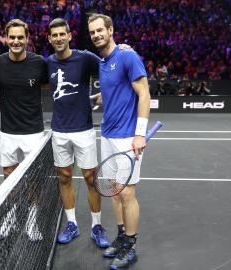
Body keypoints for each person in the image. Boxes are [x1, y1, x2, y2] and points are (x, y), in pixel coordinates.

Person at [88, 14, 151, 269]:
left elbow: (144, 93)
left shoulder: (127, 56)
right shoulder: (103, 61)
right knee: (114, 191)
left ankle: (131, 246)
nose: (96, 35)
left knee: (127, 193)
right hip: (108, 134)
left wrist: (140, 133)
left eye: (100, 30)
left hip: (127, 136)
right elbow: (117, 87)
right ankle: (122, 236)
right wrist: (102, 96)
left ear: (111, 30)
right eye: (92, 32)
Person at [46, 18, 110, 248]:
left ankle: (96, 226)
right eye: (55, 35)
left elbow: (110, 62)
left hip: (83, 129)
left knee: (90, 179)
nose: (59, 38)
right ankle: (71, 223)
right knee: (64, 177)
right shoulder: (49, 63)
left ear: (69, 36)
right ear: (50, 39)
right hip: (59, 131)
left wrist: (103, 91)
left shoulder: (84, 58)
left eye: (63, 34)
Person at [0, 19, 48, 241]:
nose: (16, 41)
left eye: (20, 37)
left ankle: (31, 221)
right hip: (8, 132)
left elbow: (48, 84)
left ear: (27, 39)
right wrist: (4, 106)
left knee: (33, 180)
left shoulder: (39, 63)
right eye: (12, 37)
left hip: (33, 132)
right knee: (8, 177)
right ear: (6, 38)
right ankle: (11, 217)